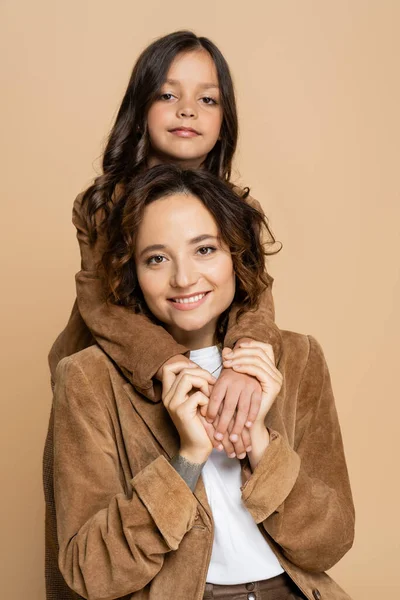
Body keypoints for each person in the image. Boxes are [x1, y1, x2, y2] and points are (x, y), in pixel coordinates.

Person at [44, 31, 282, 597]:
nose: (187, 111)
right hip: (120, 382)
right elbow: (101, 305)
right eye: (168, 94)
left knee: (207, 511)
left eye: (208, 98)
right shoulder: (104, 204)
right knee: (99, 538)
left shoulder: (234, 210)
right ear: (140, 106)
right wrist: (166, 362)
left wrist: (246, 363)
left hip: (203, 371)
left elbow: (256, 293)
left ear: (225, 118)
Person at [53, 165, 355, 600]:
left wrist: (259, 444)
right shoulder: (88, 379)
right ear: (131, 271)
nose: (183, 277)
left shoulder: (298, 357)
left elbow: (332, 541)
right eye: (156, 258)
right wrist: (188, 459)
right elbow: (90, 572)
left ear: (236, 253)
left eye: (205, 250)